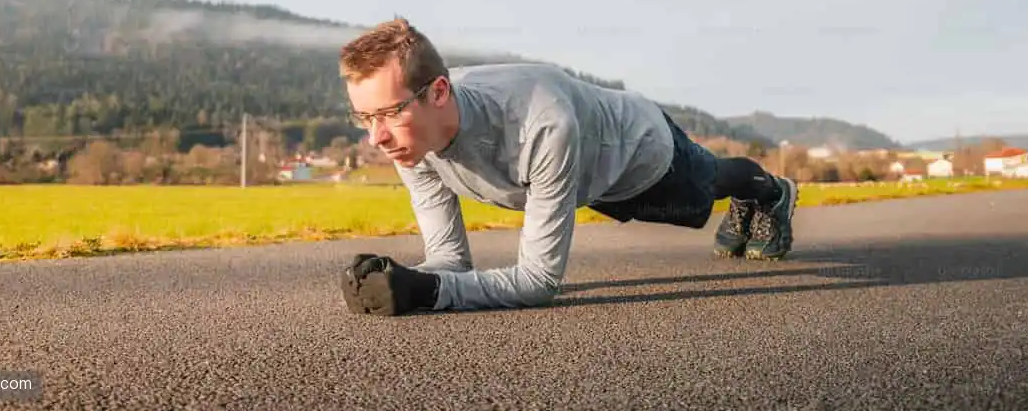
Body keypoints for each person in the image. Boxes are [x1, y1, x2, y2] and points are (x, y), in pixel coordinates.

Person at [337, 19, 798, 316]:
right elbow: (450, 261)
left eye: (388, 113)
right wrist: (409, 280)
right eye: (366, 117)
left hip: (639, 151)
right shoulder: (413, 138)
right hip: (585, 174)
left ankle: (770, 192)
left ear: (439, 92)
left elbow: (538, 282)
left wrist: (431, 294)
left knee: (711, 182)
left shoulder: (540, 123)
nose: (376, 137)